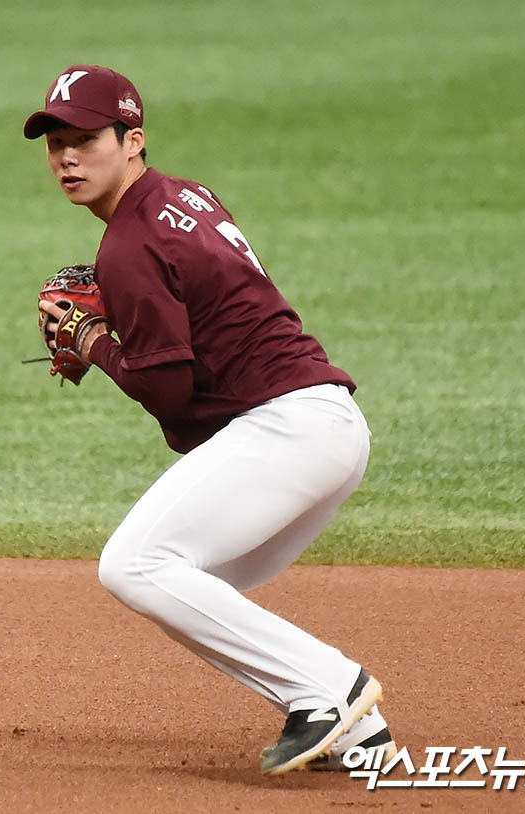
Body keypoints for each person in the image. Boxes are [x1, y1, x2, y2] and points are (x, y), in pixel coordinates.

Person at [24, 65, 395, 775]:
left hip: (288, 430)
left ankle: (330, 688)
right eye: (55, 142)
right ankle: (355, 727)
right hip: (324, 426)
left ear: (132, 140)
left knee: (135, 564)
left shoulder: (127, 245)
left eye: (86, 139)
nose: (67, 157)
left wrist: (93, 342)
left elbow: (168, 393)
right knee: (183, 581)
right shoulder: (183, 197)